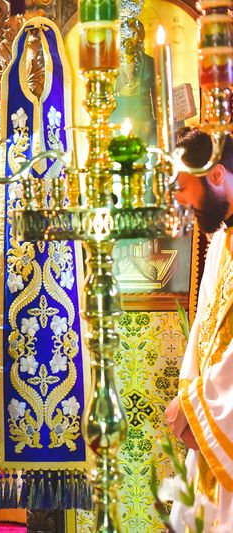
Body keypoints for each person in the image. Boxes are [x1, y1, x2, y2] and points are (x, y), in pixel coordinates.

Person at [165, 127, 233, 529]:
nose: (180, 200)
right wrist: (189, 407)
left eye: (183, 186)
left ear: (217, 175)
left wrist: (196, 403)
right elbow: (204, 333)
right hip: (214, 425)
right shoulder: (221, 242)